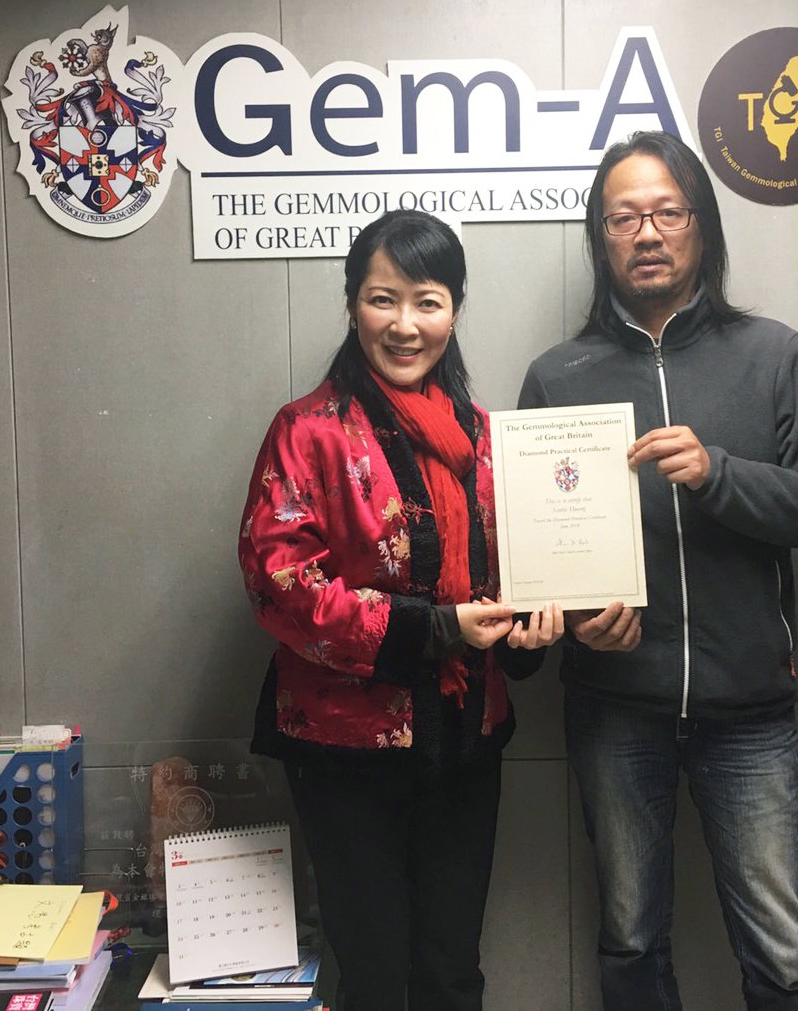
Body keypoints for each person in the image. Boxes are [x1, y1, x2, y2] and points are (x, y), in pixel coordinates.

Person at [518, 131, 798, 1010]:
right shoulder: (557, 377)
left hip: (749, 712)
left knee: (782, 959)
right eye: (623, 217)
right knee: (631, 944)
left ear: (700, 227)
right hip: (615, 705)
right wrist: (579, 618)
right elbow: (533, 559)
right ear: (600, 237)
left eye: (667, 212)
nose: (646, 232)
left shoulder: (773, 353)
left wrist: (720, 474)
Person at [238, 208, 560, 1011]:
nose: (405, 324)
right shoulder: (308, 431)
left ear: (455, 310)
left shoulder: (488, 439)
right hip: (345, 751)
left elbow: (518, 572)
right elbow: (279, 581)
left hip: (465, 738)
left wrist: (529, 630)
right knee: (374, 973)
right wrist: (435, 628)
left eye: (428, 301)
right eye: (383, 299)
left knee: (453, 970)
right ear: (353, 305)